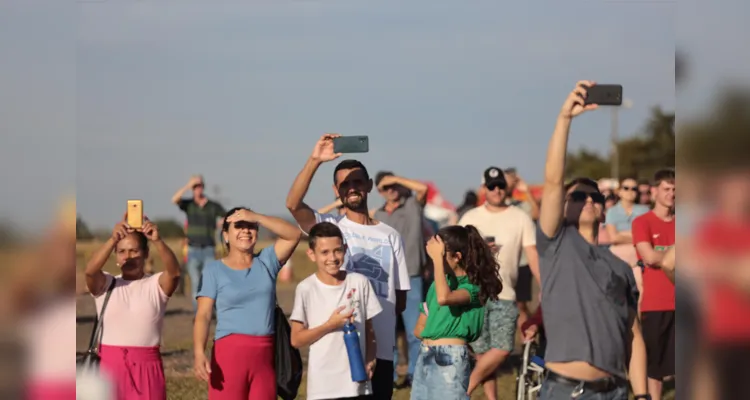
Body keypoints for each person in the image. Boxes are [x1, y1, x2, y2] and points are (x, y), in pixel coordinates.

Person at [536, 81, 648, 400]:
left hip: (616, 391)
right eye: (578, 195)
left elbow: (634, 335)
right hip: (567, 391)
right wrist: (564, 119)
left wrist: (642, 395)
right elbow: (553, 179)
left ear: (603, 209)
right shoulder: (555, 244)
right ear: (563, 206)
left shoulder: (620, 267)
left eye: (595, 196)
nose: (588, 200)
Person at [286, 133, 411, 400]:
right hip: (343, 350)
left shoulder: (391, 235)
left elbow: (400, 300)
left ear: (369, 185)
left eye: (357, 182)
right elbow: (293, 205)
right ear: (336, 191)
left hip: (382, 351)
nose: (352, 188)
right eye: (344, 184)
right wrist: (315, 160)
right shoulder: (331, 228)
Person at [193, 207, 301, 400]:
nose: (245, 230)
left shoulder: (267, 261)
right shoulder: (214, 270)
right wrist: (199, 352)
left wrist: (257, 216)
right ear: (225, 235)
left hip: (264, 358)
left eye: (250, 226)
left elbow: (293, 234)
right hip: (228, 358)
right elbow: (203, 315)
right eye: (239, 226)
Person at [459, 167, 540, 400]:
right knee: (483, 353)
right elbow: (456, 254)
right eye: (492, 186)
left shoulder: (520, 217)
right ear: (484, 188)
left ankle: (464, 390)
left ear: (507, 188)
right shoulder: (470, 217)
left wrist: (545, 285)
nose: (497, 190)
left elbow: (532, 254)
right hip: (474, 293)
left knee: (503, 349)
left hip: (505, 293)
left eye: (501, 186)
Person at [84, 213, 181, 400]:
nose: (128, 257)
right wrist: (113, 239)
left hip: (147, 368)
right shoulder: (106, 284)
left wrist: (158, 240)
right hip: (108, 369)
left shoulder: (155, 284)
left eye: (134, 251)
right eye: (121, 251)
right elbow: (90, 271)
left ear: (146, 254)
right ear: (115, 255)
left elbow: (175, 273)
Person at [290, 222, 382, 400]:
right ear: (311, 254)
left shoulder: (359, 282)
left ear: (345, 249)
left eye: (337, 250)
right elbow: (296, 339)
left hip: (357, 383)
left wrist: (370, 359)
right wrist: (329, 325)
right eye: (324, 252)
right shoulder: (306, 288)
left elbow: (369, 329)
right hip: (323, 386)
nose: (332, 257)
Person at [411, 226, 502, 400]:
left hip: (450, 356)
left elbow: (445, 298)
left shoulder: (473, 287)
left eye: (440, 253)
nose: (433, 258)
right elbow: (419, 328)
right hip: (426, 353)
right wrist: (435, 336)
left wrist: (438, 260)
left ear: (457, 257)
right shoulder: (437, 285)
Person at [372, 170, 429, 388]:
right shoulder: (377, 215)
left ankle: (415, 374)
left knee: (415, 331)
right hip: (385, 279)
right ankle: (392, 375)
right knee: (387, 331)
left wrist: (396, 179)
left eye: (393, 185)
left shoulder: (413, 205)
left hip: (412, 275)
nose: (391, 190)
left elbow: (423, 189)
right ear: (379, 191)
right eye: (385, 187)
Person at [632, 169, 676, 400]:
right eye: (667, 189)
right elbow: (648, 256)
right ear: (654, 191)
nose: (672, 194)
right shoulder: (643, 222)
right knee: (654, 367)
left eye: (675, 189)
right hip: (655, 304)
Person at [171, 175, 226, 313]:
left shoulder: (213, 206)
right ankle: (199, 313)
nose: (197, 189)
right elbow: (174, 199)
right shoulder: (189, 205)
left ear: (203, 186)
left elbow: (227, 215)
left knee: (210, 281)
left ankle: (210, 310)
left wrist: (221, 223)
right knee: (195, 282)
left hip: (209, 248)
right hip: (192, 249)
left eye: (199, 185)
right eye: (195, 187)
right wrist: (187, 186)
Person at [503, 167, 541, 333]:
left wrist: (527, 191)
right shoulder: (497, 205)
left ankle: (526, 339)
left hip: (522, 262)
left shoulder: (522, 205)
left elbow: (536, 214)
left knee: (521, 304)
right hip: (502, 262)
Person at [606, 177, 650, 271]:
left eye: (634, 189)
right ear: (619, 191)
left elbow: (647, 237)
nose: (630, 191)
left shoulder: (645, 210)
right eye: (626, 188)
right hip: (617, 258)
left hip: (639, 259)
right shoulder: (612, 211)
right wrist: (636, 236)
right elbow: (613, 238)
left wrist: (622, 234)